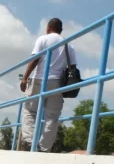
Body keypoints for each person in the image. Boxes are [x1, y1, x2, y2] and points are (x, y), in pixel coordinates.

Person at [19, 18, 77, 152]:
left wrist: (25, 78)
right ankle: (44, 149)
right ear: (61, 30)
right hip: (58, 83)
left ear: (48, 28)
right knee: (52, 116)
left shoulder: (43, 39)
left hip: (39, 80)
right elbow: (72, 68)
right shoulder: (69, 45)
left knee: (30, 111)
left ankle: (29, 144)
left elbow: (35, 59)